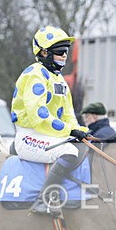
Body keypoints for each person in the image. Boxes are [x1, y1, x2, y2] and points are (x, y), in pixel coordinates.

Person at [11, 25, 89, 216]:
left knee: (83, 147)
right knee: (69, 151)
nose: (64, 56)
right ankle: (42, 200)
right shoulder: (34, 74)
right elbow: (39, 116)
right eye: (60, 52)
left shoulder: (59, 79)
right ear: (44, 52)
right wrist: (70, 131)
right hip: (29, 136)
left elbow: (69, 114)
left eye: (66, 52)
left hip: (49, 135)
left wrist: (81, 131)